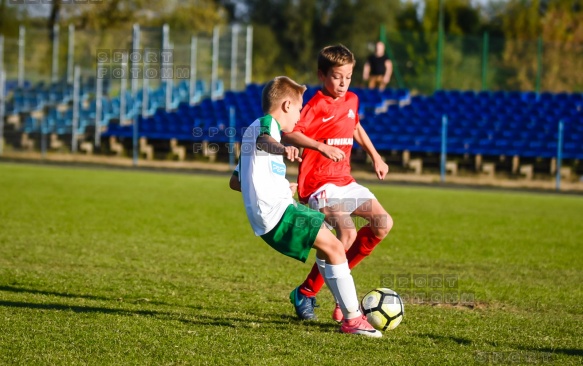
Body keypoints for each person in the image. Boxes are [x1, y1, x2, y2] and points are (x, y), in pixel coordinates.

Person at [229, 76, 381, 338]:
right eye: (298, 109)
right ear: (287, 105)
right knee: (336, 245)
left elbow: (235, 182)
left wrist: (277, 187)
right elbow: (266, 140)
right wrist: (282, 149)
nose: (298, 117)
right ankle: (352, 318)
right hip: (277, 215)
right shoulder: (268, 127)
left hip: (276, 211)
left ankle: (312, 296)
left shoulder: (251, 130)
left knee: (332, 244)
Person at [281, 45, 393, 322]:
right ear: (322, 75)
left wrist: (376, 157)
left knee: (383, 224)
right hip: (320, 184)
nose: (343, 83)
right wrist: (319, 147)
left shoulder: (352, 100)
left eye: (348, 77)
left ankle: (316, 288)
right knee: (346, 235)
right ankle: (312, 293)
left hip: (345, 180)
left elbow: (355, 126)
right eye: (336, 76)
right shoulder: (316, 104)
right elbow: (290, 134)